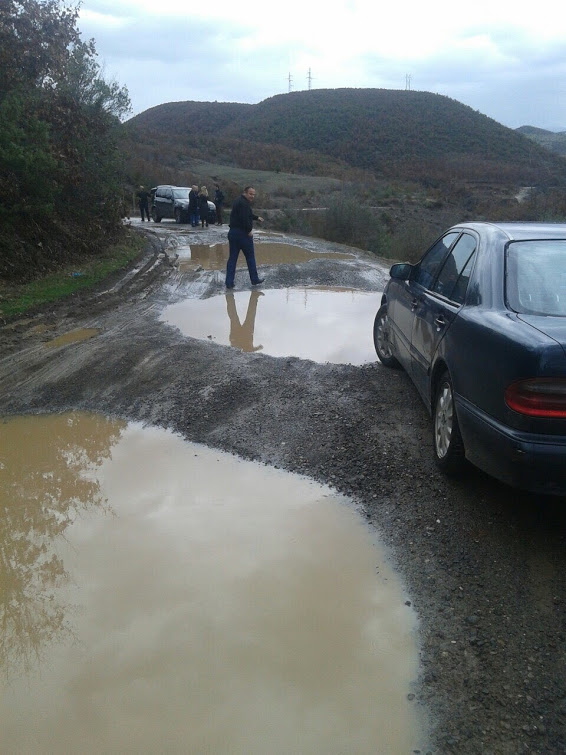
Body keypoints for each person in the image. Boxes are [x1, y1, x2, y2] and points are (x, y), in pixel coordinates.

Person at [225, 186, 264, 289]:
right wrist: (248, 231)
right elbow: (244, 219)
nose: (252, 196)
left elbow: (247, 215)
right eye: (250, 194)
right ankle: (254, 279)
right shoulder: (244, 204)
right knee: (250, 257)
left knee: (232, 258)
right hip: (242, 234)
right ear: (245, 193)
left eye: (253, 194)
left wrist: (256, 217)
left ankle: (229, 283)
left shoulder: (238, 201)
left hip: (233, 233)